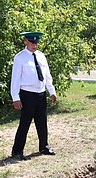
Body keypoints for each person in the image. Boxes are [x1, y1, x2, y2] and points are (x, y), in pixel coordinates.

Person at [10, 31, 57, 160]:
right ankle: (17, 151)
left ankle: (44, 146)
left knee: (42, 122)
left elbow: (47, 76)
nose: (34, 45)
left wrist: (52, 91)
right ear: (26, 42)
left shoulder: (41, 56)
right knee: (25, 123)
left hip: (40, 93)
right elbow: (15, 79)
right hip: (27, 94)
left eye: (36, 43)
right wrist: (16, 97)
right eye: (32, 42)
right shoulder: (20, 57)